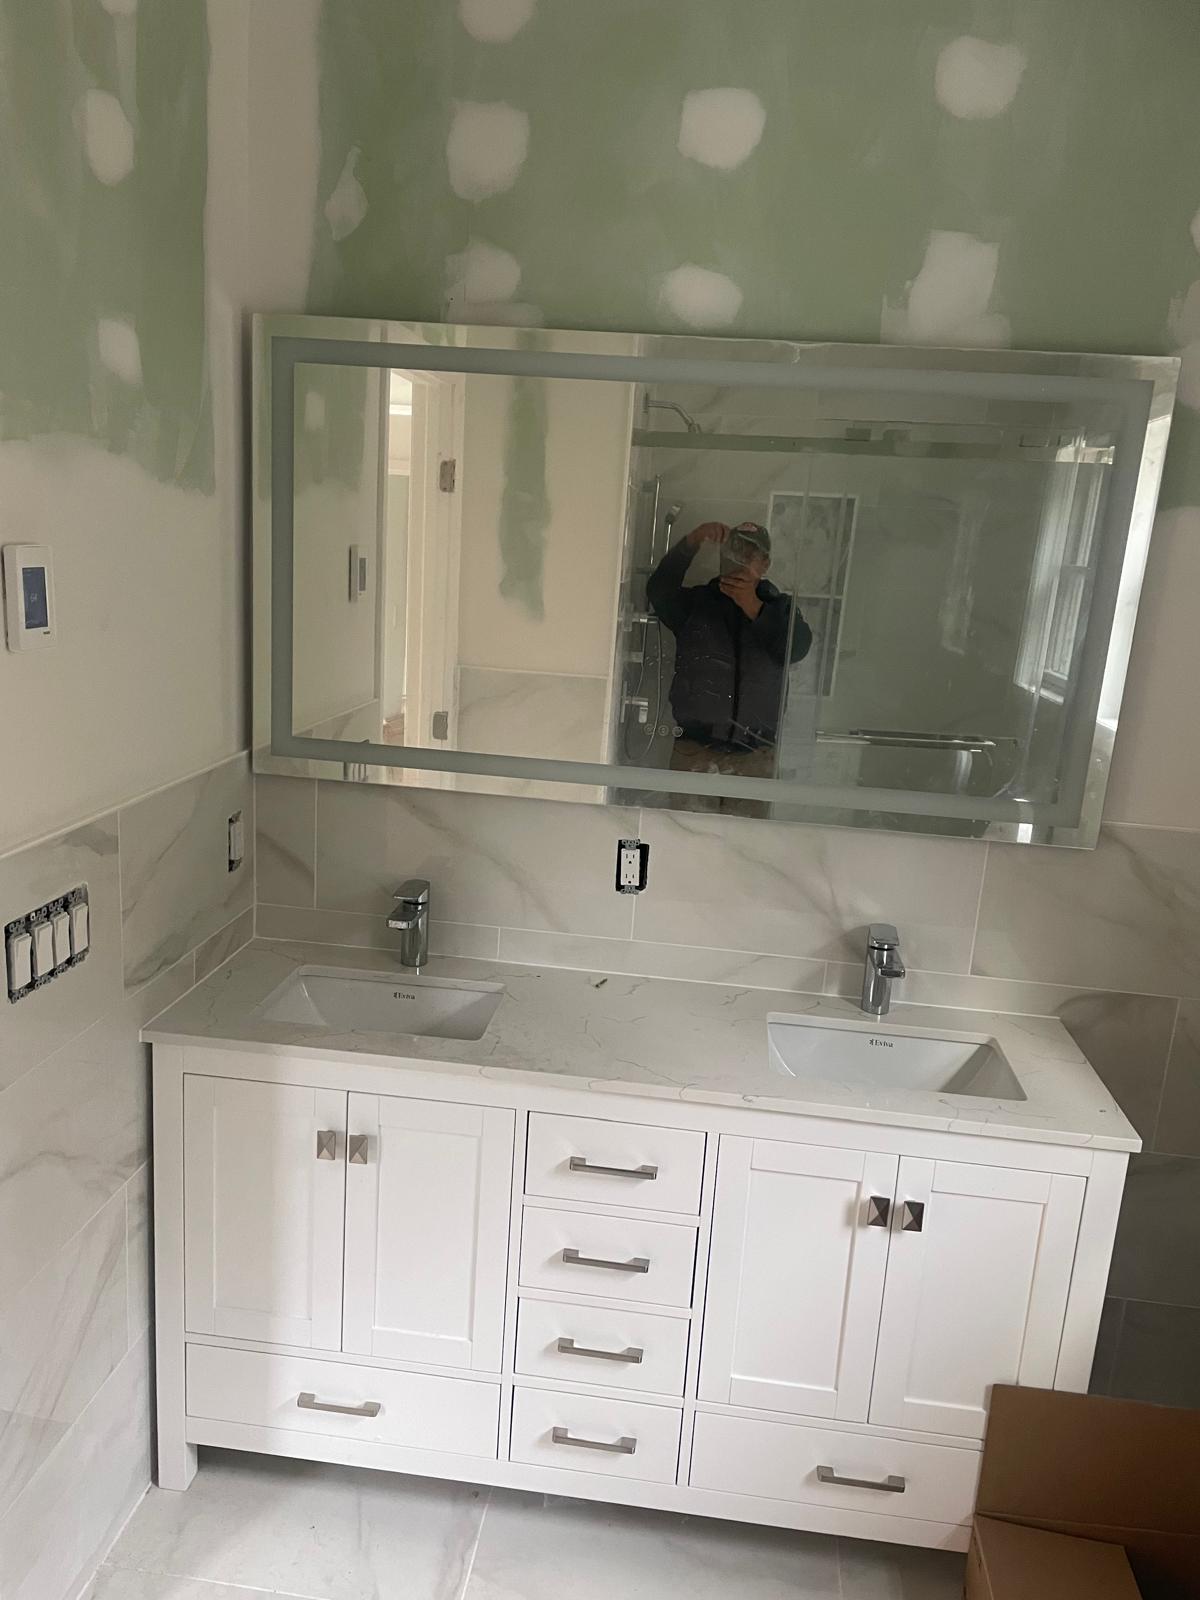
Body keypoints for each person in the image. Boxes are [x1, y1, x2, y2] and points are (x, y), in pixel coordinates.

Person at [646, 520, 812, 800]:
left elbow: (797, 649)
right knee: (683, 828)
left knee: (746, 830)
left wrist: (754, 607)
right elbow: (658, 592)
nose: (740, 559)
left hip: (756, 756)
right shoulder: (697, 604)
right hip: (695, 751)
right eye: (735, 551)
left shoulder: (780, 610)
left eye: (750, 554)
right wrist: (692, 541)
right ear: (722, 557)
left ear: (765, 564)